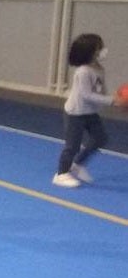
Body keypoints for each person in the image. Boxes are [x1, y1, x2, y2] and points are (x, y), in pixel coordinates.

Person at [54, 33, 123, 187]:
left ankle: (77, 165)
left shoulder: (99, 69)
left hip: (89, 112)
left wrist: (117, 100)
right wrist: (112, 101)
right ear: (90, 52)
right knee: (73, 145)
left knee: (101, 138)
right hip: (75, 113)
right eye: (99, 48)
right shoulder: (83, 71)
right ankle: (61, 174)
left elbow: (100, 91)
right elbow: (86, 95)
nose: (103, 51)